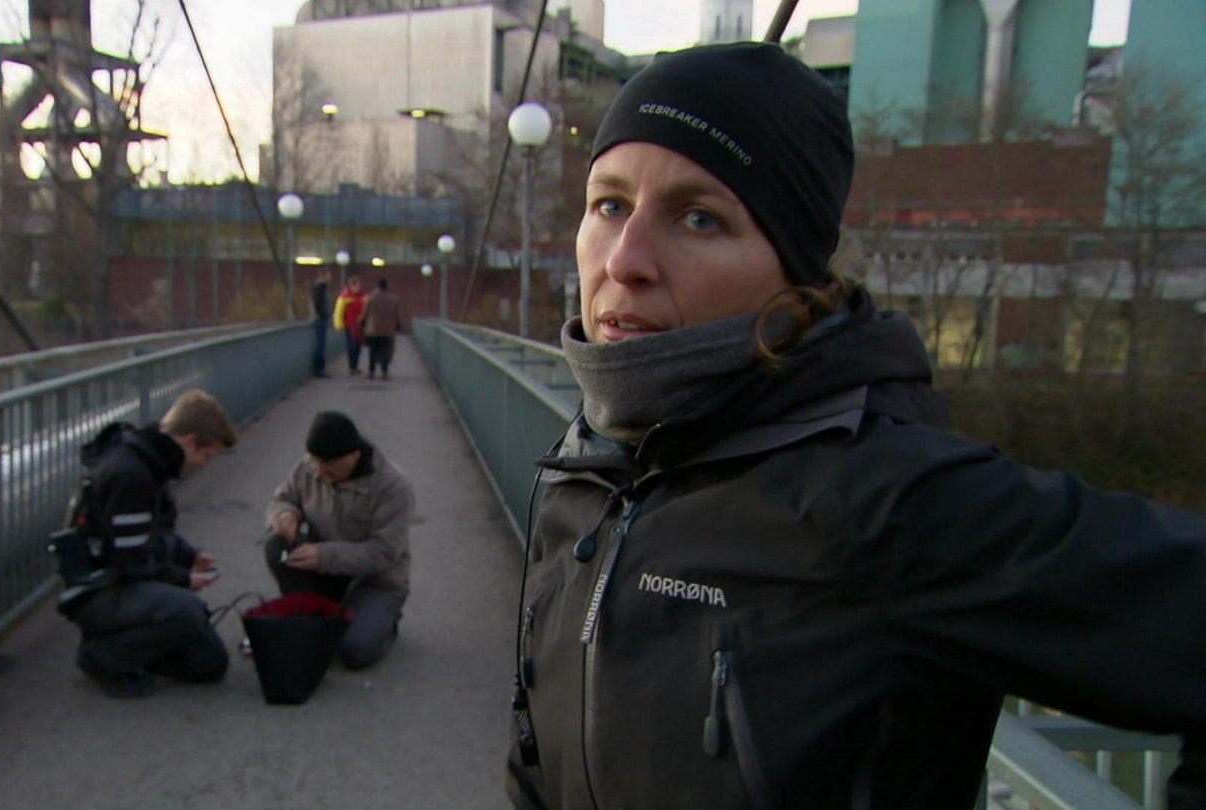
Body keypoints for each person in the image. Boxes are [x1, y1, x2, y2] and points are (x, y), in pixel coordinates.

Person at [506, 42, 1206, 809]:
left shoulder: (890, 501)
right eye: (609, 205)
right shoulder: (583, 470)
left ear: (792, 272)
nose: (625, 259)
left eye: (699, 218)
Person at [63, 388, 237, 698]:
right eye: (207, 455)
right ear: (189, 441)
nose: (206, 464)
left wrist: (188, 555)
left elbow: (151, 536)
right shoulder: (130, 475)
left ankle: (133, 647)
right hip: (100, 590)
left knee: (210, 664)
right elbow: (130, 564)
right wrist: (183, 578)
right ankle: (103, 657)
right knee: (188, 611)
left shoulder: (151, 462)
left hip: (120, 580)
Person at [262, 410, 414, 669]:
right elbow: (283, 498)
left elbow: (383, 553)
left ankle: (384, 623)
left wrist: (324, 556)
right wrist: (284, 514)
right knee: (278, 547)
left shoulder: (393, 486)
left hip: (374, 582)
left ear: (354, 455)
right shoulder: (309, 466)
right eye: (315, 462)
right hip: (324, 573)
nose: (319, 472)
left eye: (328, 465)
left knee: (354, 650)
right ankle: (313, 615)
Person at [361, 277, 403, 380]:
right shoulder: (393, 299)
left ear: (378, 286)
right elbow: (397, 315)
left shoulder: (371, 297)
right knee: (385, 351)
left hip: (373, 329)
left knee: (372, 351)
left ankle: (371, 371)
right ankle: (384, 371)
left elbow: (365, 313)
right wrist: (398, 325)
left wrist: (361, 322)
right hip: (387, 330)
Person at [333, 273, 368, 376]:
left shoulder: (365, 296)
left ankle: (355, 366)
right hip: (350, 326)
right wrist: (339, 325)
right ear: (350, 286)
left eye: (357, 285)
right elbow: (338, 312)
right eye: (354, 285)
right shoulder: (344, 297)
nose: (356, 288)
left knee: (358, 347)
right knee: (352, 346)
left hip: (361, 326)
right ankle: (352, 367)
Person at [310, 266, 333, 377]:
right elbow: (318, 303)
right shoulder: (321, 287)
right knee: (321, 344)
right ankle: (319, 369)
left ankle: (319, 368)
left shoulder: (318, 286)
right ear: (324, 276)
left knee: (321, 344)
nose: (331, 277)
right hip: (321, 318)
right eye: (329, 275)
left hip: (320, 317)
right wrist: (324, 314)